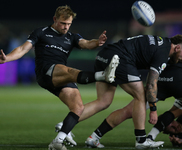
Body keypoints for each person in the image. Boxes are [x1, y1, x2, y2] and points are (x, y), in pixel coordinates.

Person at [0, 5, 119, 150]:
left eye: (69, 24)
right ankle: (102, 75)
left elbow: (86, 43)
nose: (66, 27)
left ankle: (58, 141)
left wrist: (97, 42)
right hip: (46, 72)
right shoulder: (41, 32)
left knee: (78, 108)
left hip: (60, 76)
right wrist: (7, 58)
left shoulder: (72, 36)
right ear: (55, 19)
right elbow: (23, 49)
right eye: (63, 23)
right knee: (69, 71)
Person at [55, 34, 182, 149]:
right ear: (177, 47)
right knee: (141, 96)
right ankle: (141, 140)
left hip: (104, 55)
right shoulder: (164, 52)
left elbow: (173, 55)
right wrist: (153, 109)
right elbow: (151, 83)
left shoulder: (164, 43)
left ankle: (66, 125)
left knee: (103, 101)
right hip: (120, 59)